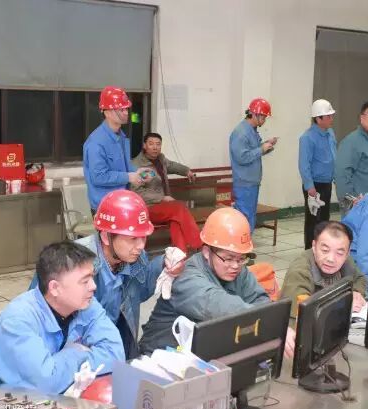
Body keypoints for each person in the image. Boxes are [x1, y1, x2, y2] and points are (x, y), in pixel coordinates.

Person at [30, 190, 177, 359]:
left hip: (114, 347)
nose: (140, 246)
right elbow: (38, 315)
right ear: (106, 237)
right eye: (132, 239)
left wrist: (163, 265)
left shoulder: (135, 257)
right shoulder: (69, 263)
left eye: (144, 237)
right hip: (73, 355)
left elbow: (138, 293)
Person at [0, 242, 124, 394]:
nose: (93, 286)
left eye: (92, 278)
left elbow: (116, 355)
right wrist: (76, 352)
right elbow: (46, 383)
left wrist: (59, 365)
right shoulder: (17, 321)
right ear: (55, 288)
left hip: (54, 398)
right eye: (85, 281)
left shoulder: (86, 304)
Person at [139, 208, 272, 354]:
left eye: (241, 258)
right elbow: (217, 305)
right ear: (207, 252)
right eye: (228, 258)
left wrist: (268, 318)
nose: (235, 265)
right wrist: (267, 321)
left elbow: (261, 300)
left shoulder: (239, 271)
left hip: (200, 350)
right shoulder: (186, 276)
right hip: (161, 354)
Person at [131, 132, 202, 253]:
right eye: (151, 144)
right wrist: (161, 198)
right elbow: (137, 193)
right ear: (144, 145)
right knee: (179, 208)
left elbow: (172, 166)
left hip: (164, 207)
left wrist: (186, 171)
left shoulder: (161, 159)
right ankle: (200, 245)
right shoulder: (137, 165)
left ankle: (179, 256)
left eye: (158, 144)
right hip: (148, 208)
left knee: (176, 220)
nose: (155, 147)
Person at [281, 221, 367, 319]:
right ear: (314, 246)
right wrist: (344, 304)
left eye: (339, 253)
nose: (331, 259)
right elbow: (303, 310)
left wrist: (356, 292)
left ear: (347, 253)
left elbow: (359, 278)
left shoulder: (346, 261)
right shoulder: (300, 270)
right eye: (325, 250)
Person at [83, 85, 148, 212]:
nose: (126, 113)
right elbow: (99, 177)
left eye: (126, 109)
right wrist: (129, 177)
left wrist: (137, 172)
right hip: (105, 206)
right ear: (107, 112)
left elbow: (121, 167)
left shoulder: (120, 136)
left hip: (122, 201)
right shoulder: (96, 142)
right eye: (121, 109)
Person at [229, 98, 278, 232]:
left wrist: (267, 145)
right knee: (244, 220)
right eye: (263, 117)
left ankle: (246, 243)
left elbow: (253, 152)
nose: (264, 120)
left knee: (249, 218)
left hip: (251, 183)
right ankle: (242, 244)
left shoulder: (251, 130)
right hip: (244, 184)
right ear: (254, 114)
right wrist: (261, 149)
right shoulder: (241, 132)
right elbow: (242, 157)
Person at [334, 101, 368, 216]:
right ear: (361, 118)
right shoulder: (351, 142)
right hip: (358, 207)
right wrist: (350, 204)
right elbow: (341, 176)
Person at [298, 99, 337, 249]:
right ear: (318, 118)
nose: (331, 119)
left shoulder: (330, 133)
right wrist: (310, 188)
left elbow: (334, 156)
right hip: (315, 186)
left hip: (327, 183)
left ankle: (321, 248)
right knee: (313, 220)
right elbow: (304, 165)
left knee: (324, 219)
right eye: (328, 116)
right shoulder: (307, 138)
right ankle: (310, 250)